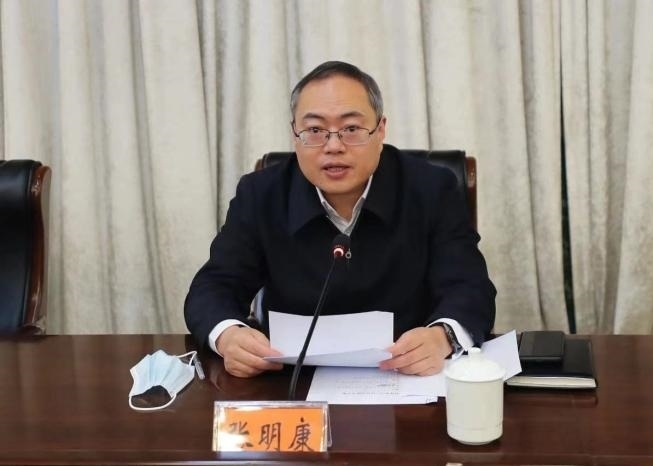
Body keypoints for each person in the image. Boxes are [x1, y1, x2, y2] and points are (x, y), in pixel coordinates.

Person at [184, 60, 496, 378]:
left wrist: (442, 337)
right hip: (288, 377)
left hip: (406, 374)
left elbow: (470, 286)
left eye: (351, 129)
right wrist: (228, 336)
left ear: (380, 130)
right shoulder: (261, 194)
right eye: (315, 130)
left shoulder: (431, 189)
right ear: (295, 135)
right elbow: (215, 286)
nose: (334, 146)